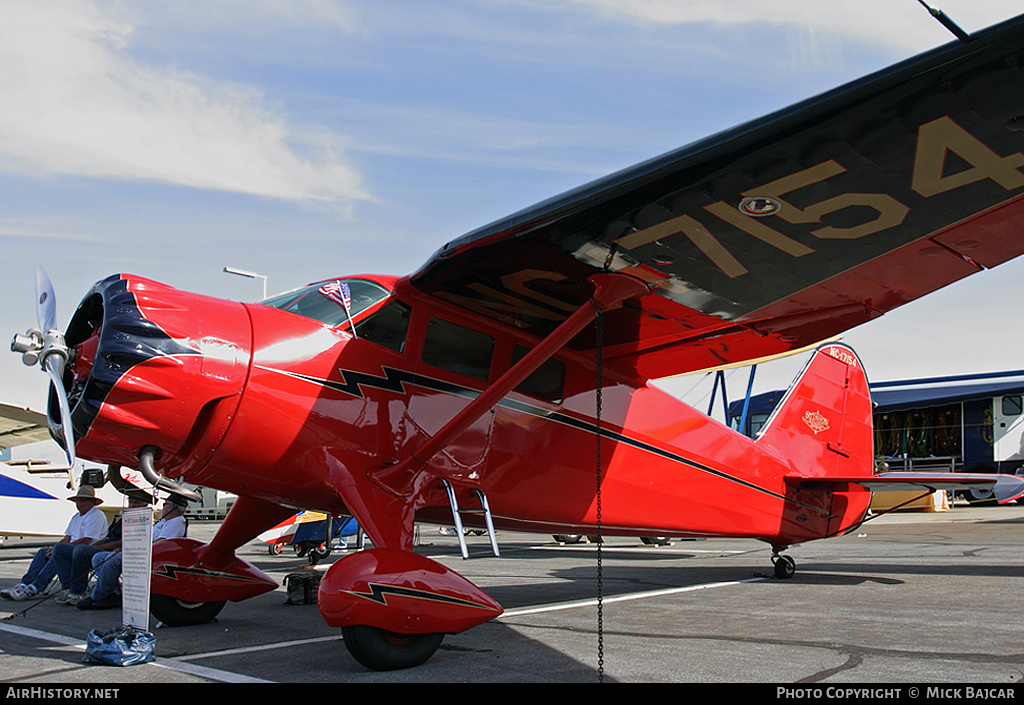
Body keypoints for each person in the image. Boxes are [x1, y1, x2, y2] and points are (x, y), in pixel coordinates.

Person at [77, 493, 189, 610]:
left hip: (151, 556)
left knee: (114, 560)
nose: (163, 507)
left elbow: (161, 543)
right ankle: (114, 594)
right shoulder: (162, 521)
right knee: (98, 557)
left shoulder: (177, 521)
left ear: (170, 507)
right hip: (142, 552)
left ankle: (97, 597)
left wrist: (132, 550)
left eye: (165, 504)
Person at [1, 485, 110, 601]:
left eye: (84, 500)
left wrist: (59, 548)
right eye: (78, 500)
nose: (80, 503)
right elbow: (67, 537)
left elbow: (87, 540)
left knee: (59, 551)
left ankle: (35, 587)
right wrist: (53, 548)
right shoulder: (76, 517)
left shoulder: (96, 515)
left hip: (86, 551)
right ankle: (24, 584)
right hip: (72, 549)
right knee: (43, 552)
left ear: (92, 502)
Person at [52, 492, 152, 606]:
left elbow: (122, 542)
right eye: (131, 502)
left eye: (136, 503)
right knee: (59, 548)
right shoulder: (124, 518)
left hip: (116, 551)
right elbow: (107, 538)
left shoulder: (142, 521)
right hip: (104, 548)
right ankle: (67, 588)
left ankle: (77, 592)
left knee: (80, 550)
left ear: (145, 506)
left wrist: (95, 547)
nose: (132, 505)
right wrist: (92, 547)